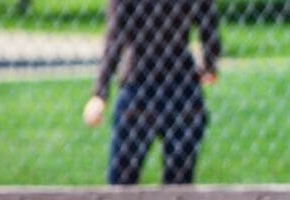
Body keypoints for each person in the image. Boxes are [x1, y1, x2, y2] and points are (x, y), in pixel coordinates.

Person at [82, 0, 221, 185]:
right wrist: (209, 64)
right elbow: (209, 27)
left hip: (139, 82)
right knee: (179, 183)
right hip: (180, 83)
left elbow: (115, 37)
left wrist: (100, 93)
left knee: (123, 182)